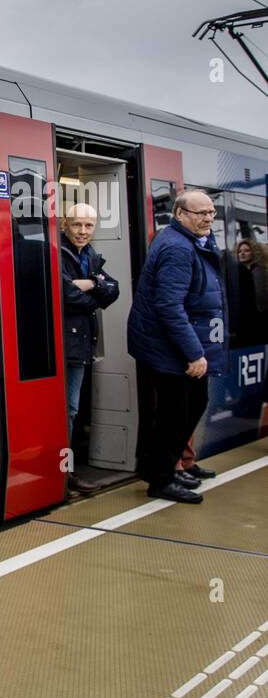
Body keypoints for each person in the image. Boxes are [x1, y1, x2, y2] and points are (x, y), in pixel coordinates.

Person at [126, 189, 226, 504]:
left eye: (211, 212)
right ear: (181, 214)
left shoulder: (188, 241)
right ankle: (161, 480)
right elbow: (169, 306)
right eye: (201, 213)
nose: (208, 218)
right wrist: (194, 353)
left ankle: (165, 468)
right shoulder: (177, 248)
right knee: (176, 412)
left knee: (190, 405)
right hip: (168, 348)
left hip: (173, 344)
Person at [59, 202, 120, 492]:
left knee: (70, 409)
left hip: (80, 343)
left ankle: (65, 472)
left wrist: (90, 284)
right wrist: (95, 289)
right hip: (61, 343)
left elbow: (113, 289)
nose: (83, 231)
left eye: (88, 225)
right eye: (76, 224)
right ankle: (63, 473)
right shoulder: (56, 252)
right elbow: (64, 294)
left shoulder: (91, 255)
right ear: (64, 224)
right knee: (66, 409)